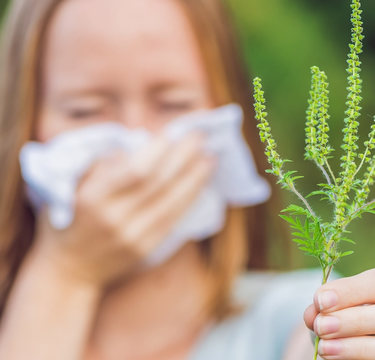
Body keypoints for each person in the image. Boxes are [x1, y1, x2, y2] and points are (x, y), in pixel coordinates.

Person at [0, 0, 374, 359]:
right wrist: (65, 272)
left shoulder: (290, 318)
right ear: (22, 122)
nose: (139, 150)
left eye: (173, 104)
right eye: (85, 110)